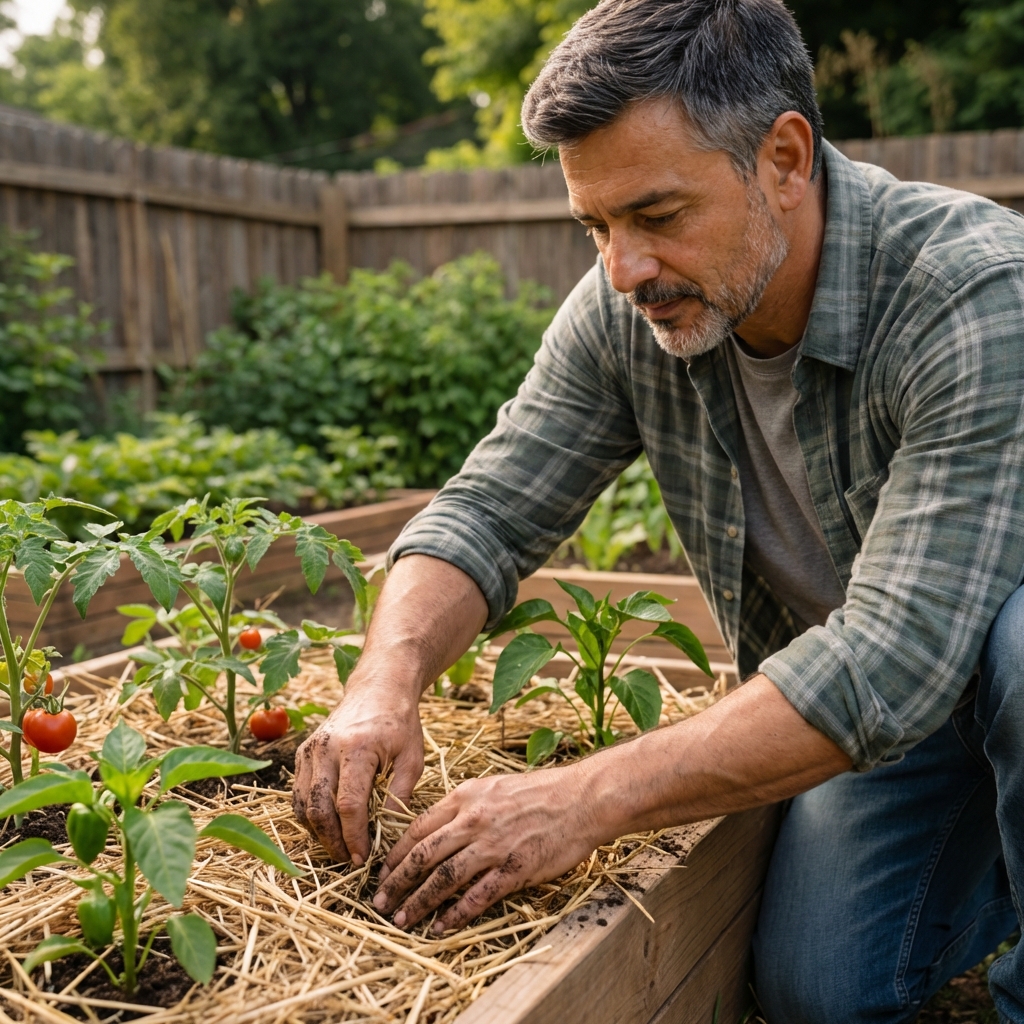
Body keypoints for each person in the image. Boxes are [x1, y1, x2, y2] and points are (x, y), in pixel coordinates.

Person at [291, 0, 1024, 1018]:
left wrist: (583, 796)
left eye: (656, 216)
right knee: (816, 991)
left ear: (783, 156)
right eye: (595, 225)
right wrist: (385, 679)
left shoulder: (968, 290)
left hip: (975, 674)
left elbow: (896, 653)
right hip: (890, 728)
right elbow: (488, 509)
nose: (622, 268)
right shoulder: (632, 309)